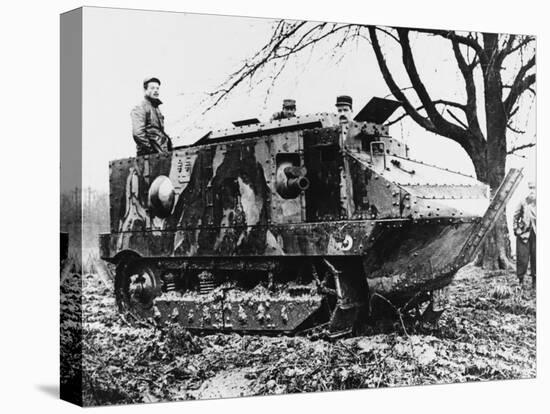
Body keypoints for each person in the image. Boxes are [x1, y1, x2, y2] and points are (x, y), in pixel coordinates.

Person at [131, 76, 173, 156]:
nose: (156, 91)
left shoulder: (156, 108)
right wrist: (151, 152)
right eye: (152, 88)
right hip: (151, 156)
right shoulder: (140, 107)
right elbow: (138, 133)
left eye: (157, 88)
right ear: (145, 90)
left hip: (161, 153)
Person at [513, 181, 536, 287]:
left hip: (536, 234)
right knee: (522, 257)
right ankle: (520, 280)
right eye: (530, 188)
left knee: (537, 257)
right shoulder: (523, 202)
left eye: (534, 188)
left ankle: (535, 281)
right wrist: (516, 229)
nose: (532, 191)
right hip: (524, 234)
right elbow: (516, 216)